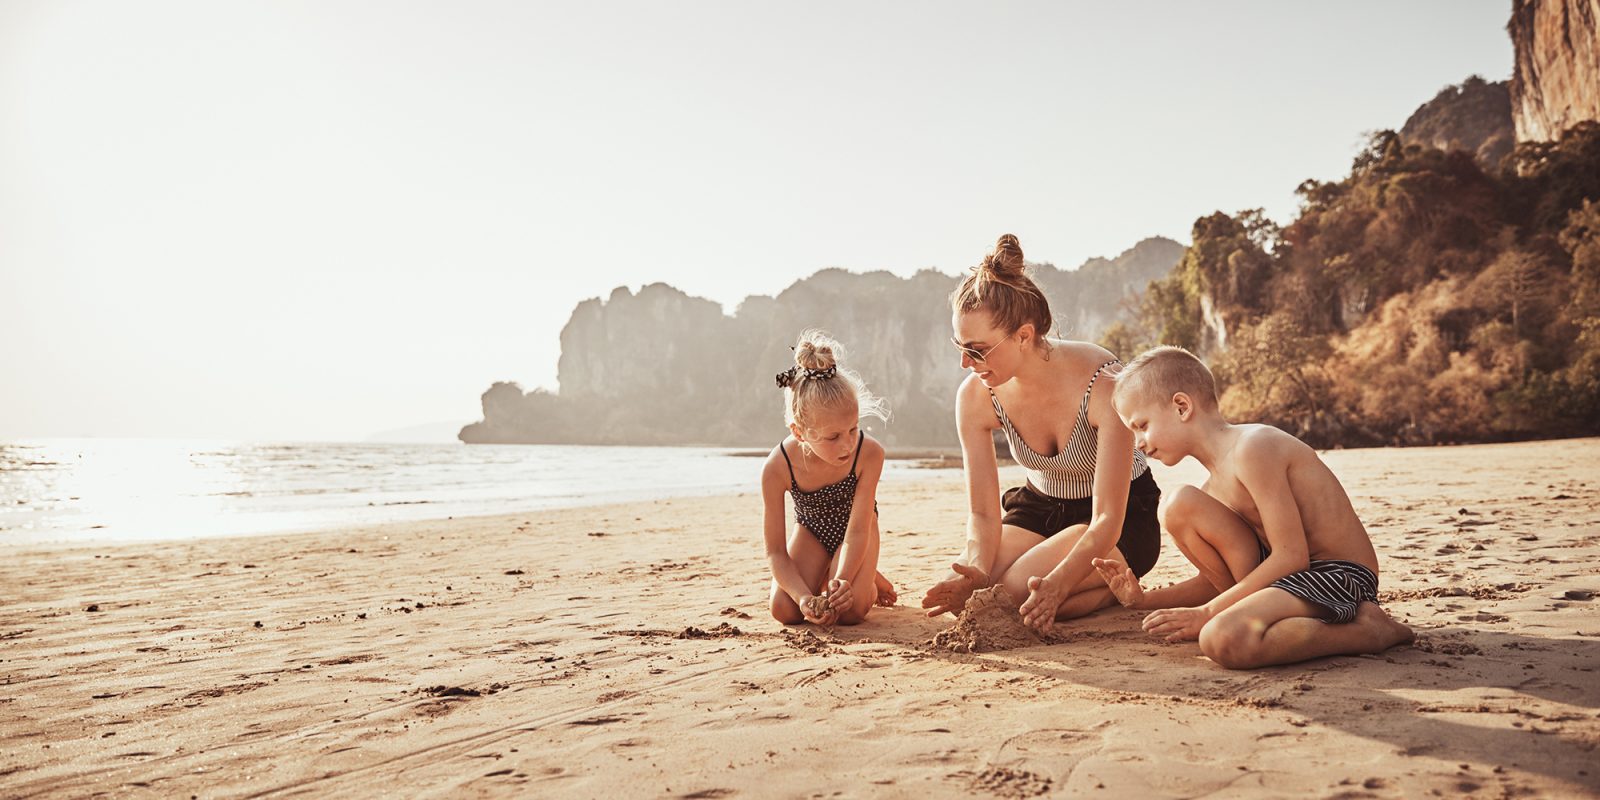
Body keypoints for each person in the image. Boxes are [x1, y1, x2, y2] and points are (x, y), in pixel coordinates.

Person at [1092, 345, 1414, 668]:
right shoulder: (1213, 488)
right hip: (1288, 578)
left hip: (1339, 575)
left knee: (1220, 638)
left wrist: (1208, 614)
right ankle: (1261, 617)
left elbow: (1292, 556)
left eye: (1141, 425)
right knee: (1178, 506)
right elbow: (1217, 582)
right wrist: (1143, 600)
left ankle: (1368, 631)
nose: (1139, 443)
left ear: (1181, 406)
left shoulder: (1252, 448)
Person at [919, 234, 1161, 633]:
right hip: (1040, 508)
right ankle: (1090, 592)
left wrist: (1058, 584)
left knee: (1013, 593)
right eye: (959, 346)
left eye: (977, 349)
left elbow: (1107, 518)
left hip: (1115, 520)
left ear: (1024, 335)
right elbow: (981, 513)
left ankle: (1101, 588)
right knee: (980, 589)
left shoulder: (1103, 384)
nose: (964, 362)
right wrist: (976, 567)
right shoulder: (977, 396)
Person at [763, 330, 897, 626]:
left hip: (858, 534)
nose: (848, 444)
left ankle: (865, 580)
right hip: (812, 532)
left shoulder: (869, 454)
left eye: (852, 429)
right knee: (784, 611)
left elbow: (858, 532)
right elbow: (775, 552)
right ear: (800, 432)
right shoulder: (777, 467)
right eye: (833, 437)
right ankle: (848, 570)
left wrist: (844, 580)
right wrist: (802, 597)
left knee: (848, 612)